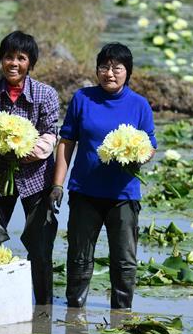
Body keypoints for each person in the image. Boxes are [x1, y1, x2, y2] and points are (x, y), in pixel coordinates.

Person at [50, 42, 156, 309]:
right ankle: (75, 311)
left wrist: (136, 152)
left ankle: (122, 313)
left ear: (127, 72)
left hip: (123, 196)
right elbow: (67, 142)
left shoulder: (139, 105)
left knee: (124, 260)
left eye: (116, 68)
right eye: (104, 67)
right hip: (85, 192)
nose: (110, 73)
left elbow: (150, 146)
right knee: (79, 256)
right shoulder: (83, 99)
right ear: (97, 70)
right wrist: (57, 185)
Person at [0, 31, 60, 305]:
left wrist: (18, 153)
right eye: (8, 57)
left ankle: (44, 306)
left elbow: (50, 137)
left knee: (40, 247)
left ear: (30, 63)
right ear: (0, 60)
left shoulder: (46, 94)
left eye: (21, 58)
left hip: (37, 180)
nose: (14, 63)